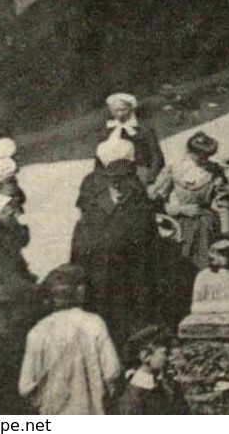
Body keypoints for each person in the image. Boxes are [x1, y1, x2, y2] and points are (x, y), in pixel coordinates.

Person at [70, 137, 158, 347]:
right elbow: (82, 239)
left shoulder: (136, 199)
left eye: (124, 179)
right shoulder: (95, 201)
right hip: (103, 270)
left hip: (129, 270)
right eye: (115, 181)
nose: (119, 185)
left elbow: (147, 234)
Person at [17, 265, 123, 415]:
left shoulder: (38, 331)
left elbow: (25, 387)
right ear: (80, 291)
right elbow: (113, 372)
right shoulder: (94, 323)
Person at [163, 132, 229, 271]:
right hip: (178, 224)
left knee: (205, 264)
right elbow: (156, 200)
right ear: (190, 152)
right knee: (178, 264)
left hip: (204, 224)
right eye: (200, 155)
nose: (204, 159)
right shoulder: (174, 168)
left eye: (207, 156)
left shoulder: (215, 170)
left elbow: (223, 203)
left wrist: (226, 232)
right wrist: (178, 209)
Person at [99, 94, 165, 191]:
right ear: (111, 111)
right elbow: (100, 159)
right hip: (117, 179)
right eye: (116, 111)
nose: (120, 114)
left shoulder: (143, 130)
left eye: (123, 109)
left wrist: (150, 178)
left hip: (141, 176)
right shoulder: (108, 133)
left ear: (131, 109)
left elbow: (157, 157)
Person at [111, 326, 181, 415]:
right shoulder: (134, 395)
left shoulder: (157, 386)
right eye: (166, 353)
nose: (170, 359)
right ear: (145, 356)